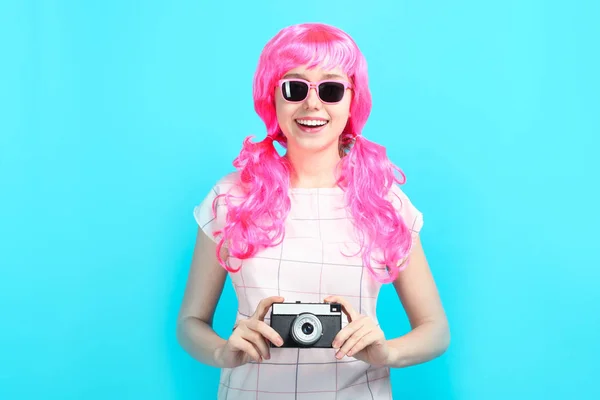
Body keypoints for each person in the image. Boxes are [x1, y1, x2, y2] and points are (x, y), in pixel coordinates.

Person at [177, 22, 450, 399]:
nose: (312, 104)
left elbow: (435, 328)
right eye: (294, 88)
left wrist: (388, 352)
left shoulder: (384, 200)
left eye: (332, 89)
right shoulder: (231, 197)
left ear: (353, 100)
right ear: (272, 96)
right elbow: (190, 323)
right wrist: (223, 352)